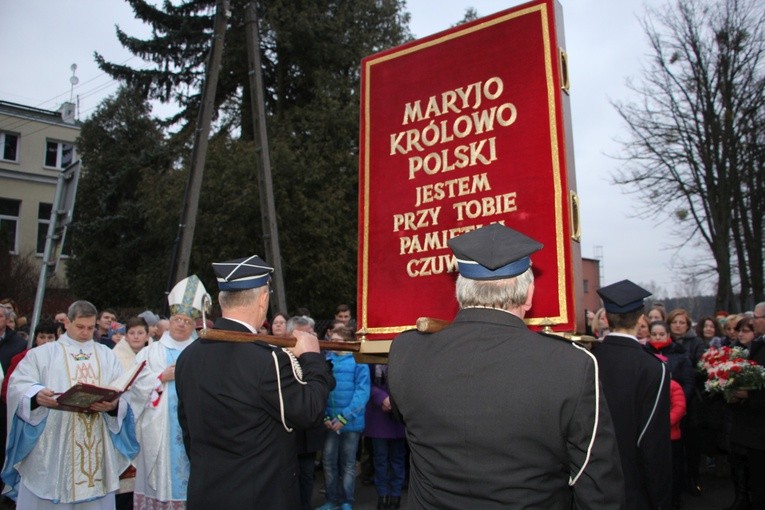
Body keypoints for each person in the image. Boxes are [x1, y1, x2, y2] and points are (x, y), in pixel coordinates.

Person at [388, 223, 624, 509]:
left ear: (460, 291)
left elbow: (407, 420)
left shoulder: (407, 351)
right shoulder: (572, 365)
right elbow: (597, 487)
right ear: (528, 295)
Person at [175, 255, 334, 510]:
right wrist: (313, 358)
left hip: (206, 495)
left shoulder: (188, 357)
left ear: (220, 300)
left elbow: (189, 434)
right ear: (263, 299)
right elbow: (310, 410)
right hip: (261, 497)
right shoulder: (269, 359)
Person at [2, 300, 138, 507]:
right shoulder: (43, 354)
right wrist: (36, 396)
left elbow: (123, 393)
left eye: (91, 328)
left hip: (96, 446)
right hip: (53, 446)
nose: (86, 333)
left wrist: (113, 406)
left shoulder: (106, 356)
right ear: (67, 323)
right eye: (80, 327)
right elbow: (17, 386)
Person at [128, 275, 210, 510]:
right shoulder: (151, 352)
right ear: (170, 320)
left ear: (194, 323)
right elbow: (134, 386)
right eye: (177, 318)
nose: (181, 324)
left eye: (186, 320)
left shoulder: (202, 351)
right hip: (160, 429)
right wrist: (159, 378)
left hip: (194, 428)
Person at [592, 279, 672, 510]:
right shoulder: (653, 367)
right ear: (641, 319)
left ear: (605, 318)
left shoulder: (589, 360)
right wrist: (661, 499)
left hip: (594, 480)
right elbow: (653, 440)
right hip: (635, 486)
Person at [315, 326, 370, 510]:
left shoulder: (359, 361)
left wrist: (344, 417)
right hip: (330, 422)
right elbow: (320, 391)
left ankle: (347, 501)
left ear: (347, 342)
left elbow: (362, 393)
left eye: (337, 341)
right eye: (331, 340)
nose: (332, 344)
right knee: (329, 463)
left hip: (350, 423)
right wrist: (325, 416)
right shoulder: (326, 360)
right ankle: (331, 500)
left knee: (347, 464)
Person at [726, 301, 765, 510]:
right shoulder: (754, 347)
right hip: (750, 427)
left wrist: (749, 394)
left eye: (757, 318)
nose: (754, 320)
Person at [365, 363, 406, 510]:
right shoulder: (371, 360)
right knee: (380, 459)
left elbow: (409, 382)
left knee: (398, 458)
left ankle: (395, 495)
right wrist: (382, 398)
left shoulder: (403, 356)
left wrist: (392, 401)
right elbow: (365, 382)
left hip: (398, 414)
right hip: (378, 414)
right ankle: (382, 494)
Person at [1, 320, 58, 402]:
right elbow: (7, 390)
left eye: (50, 337)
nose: (46, 341)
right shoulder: (21, 358)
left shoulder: (62, 358)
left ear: (56, 339)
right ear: (36, 339)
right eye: (42, 337)